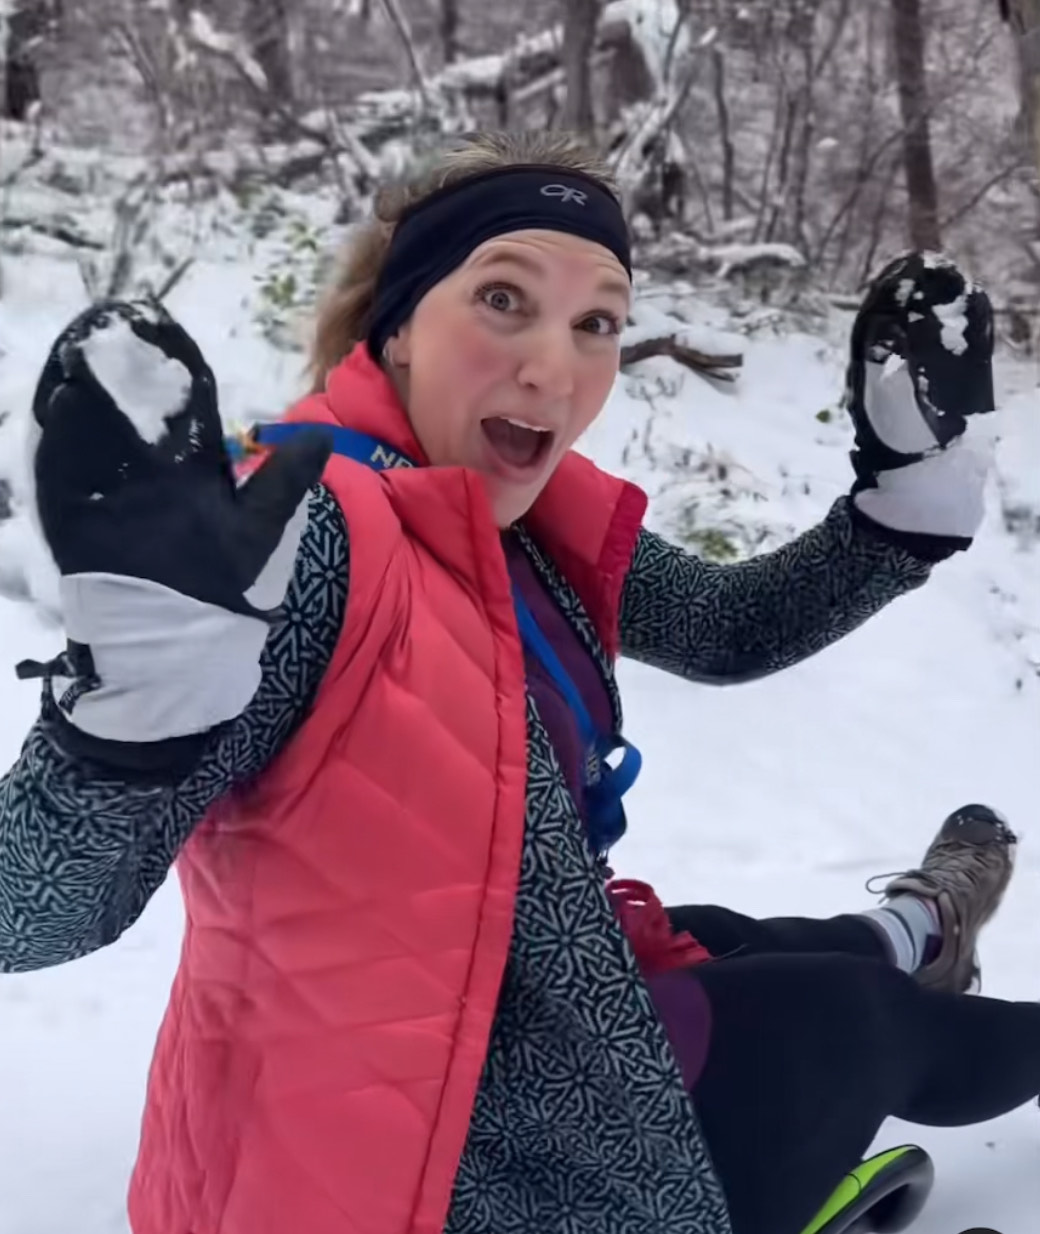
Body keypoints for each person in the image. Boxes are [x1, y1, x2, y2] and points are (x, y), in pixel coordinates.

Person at [0, 130, 1035, 1234]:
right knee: (847, 1014)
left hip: (516, 1021)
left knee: (735, 936)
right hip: (416, 1174)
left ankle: (923, 923)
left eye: (597, 322)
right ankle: (916, 971)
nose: (556, 365)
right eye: (504, 300)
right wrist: (126, 728)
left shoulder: (511, 517)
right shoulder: (299, 541)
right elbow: (25, 913)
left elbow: (727, 627)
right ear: (399, 324)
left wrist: (898, 519)